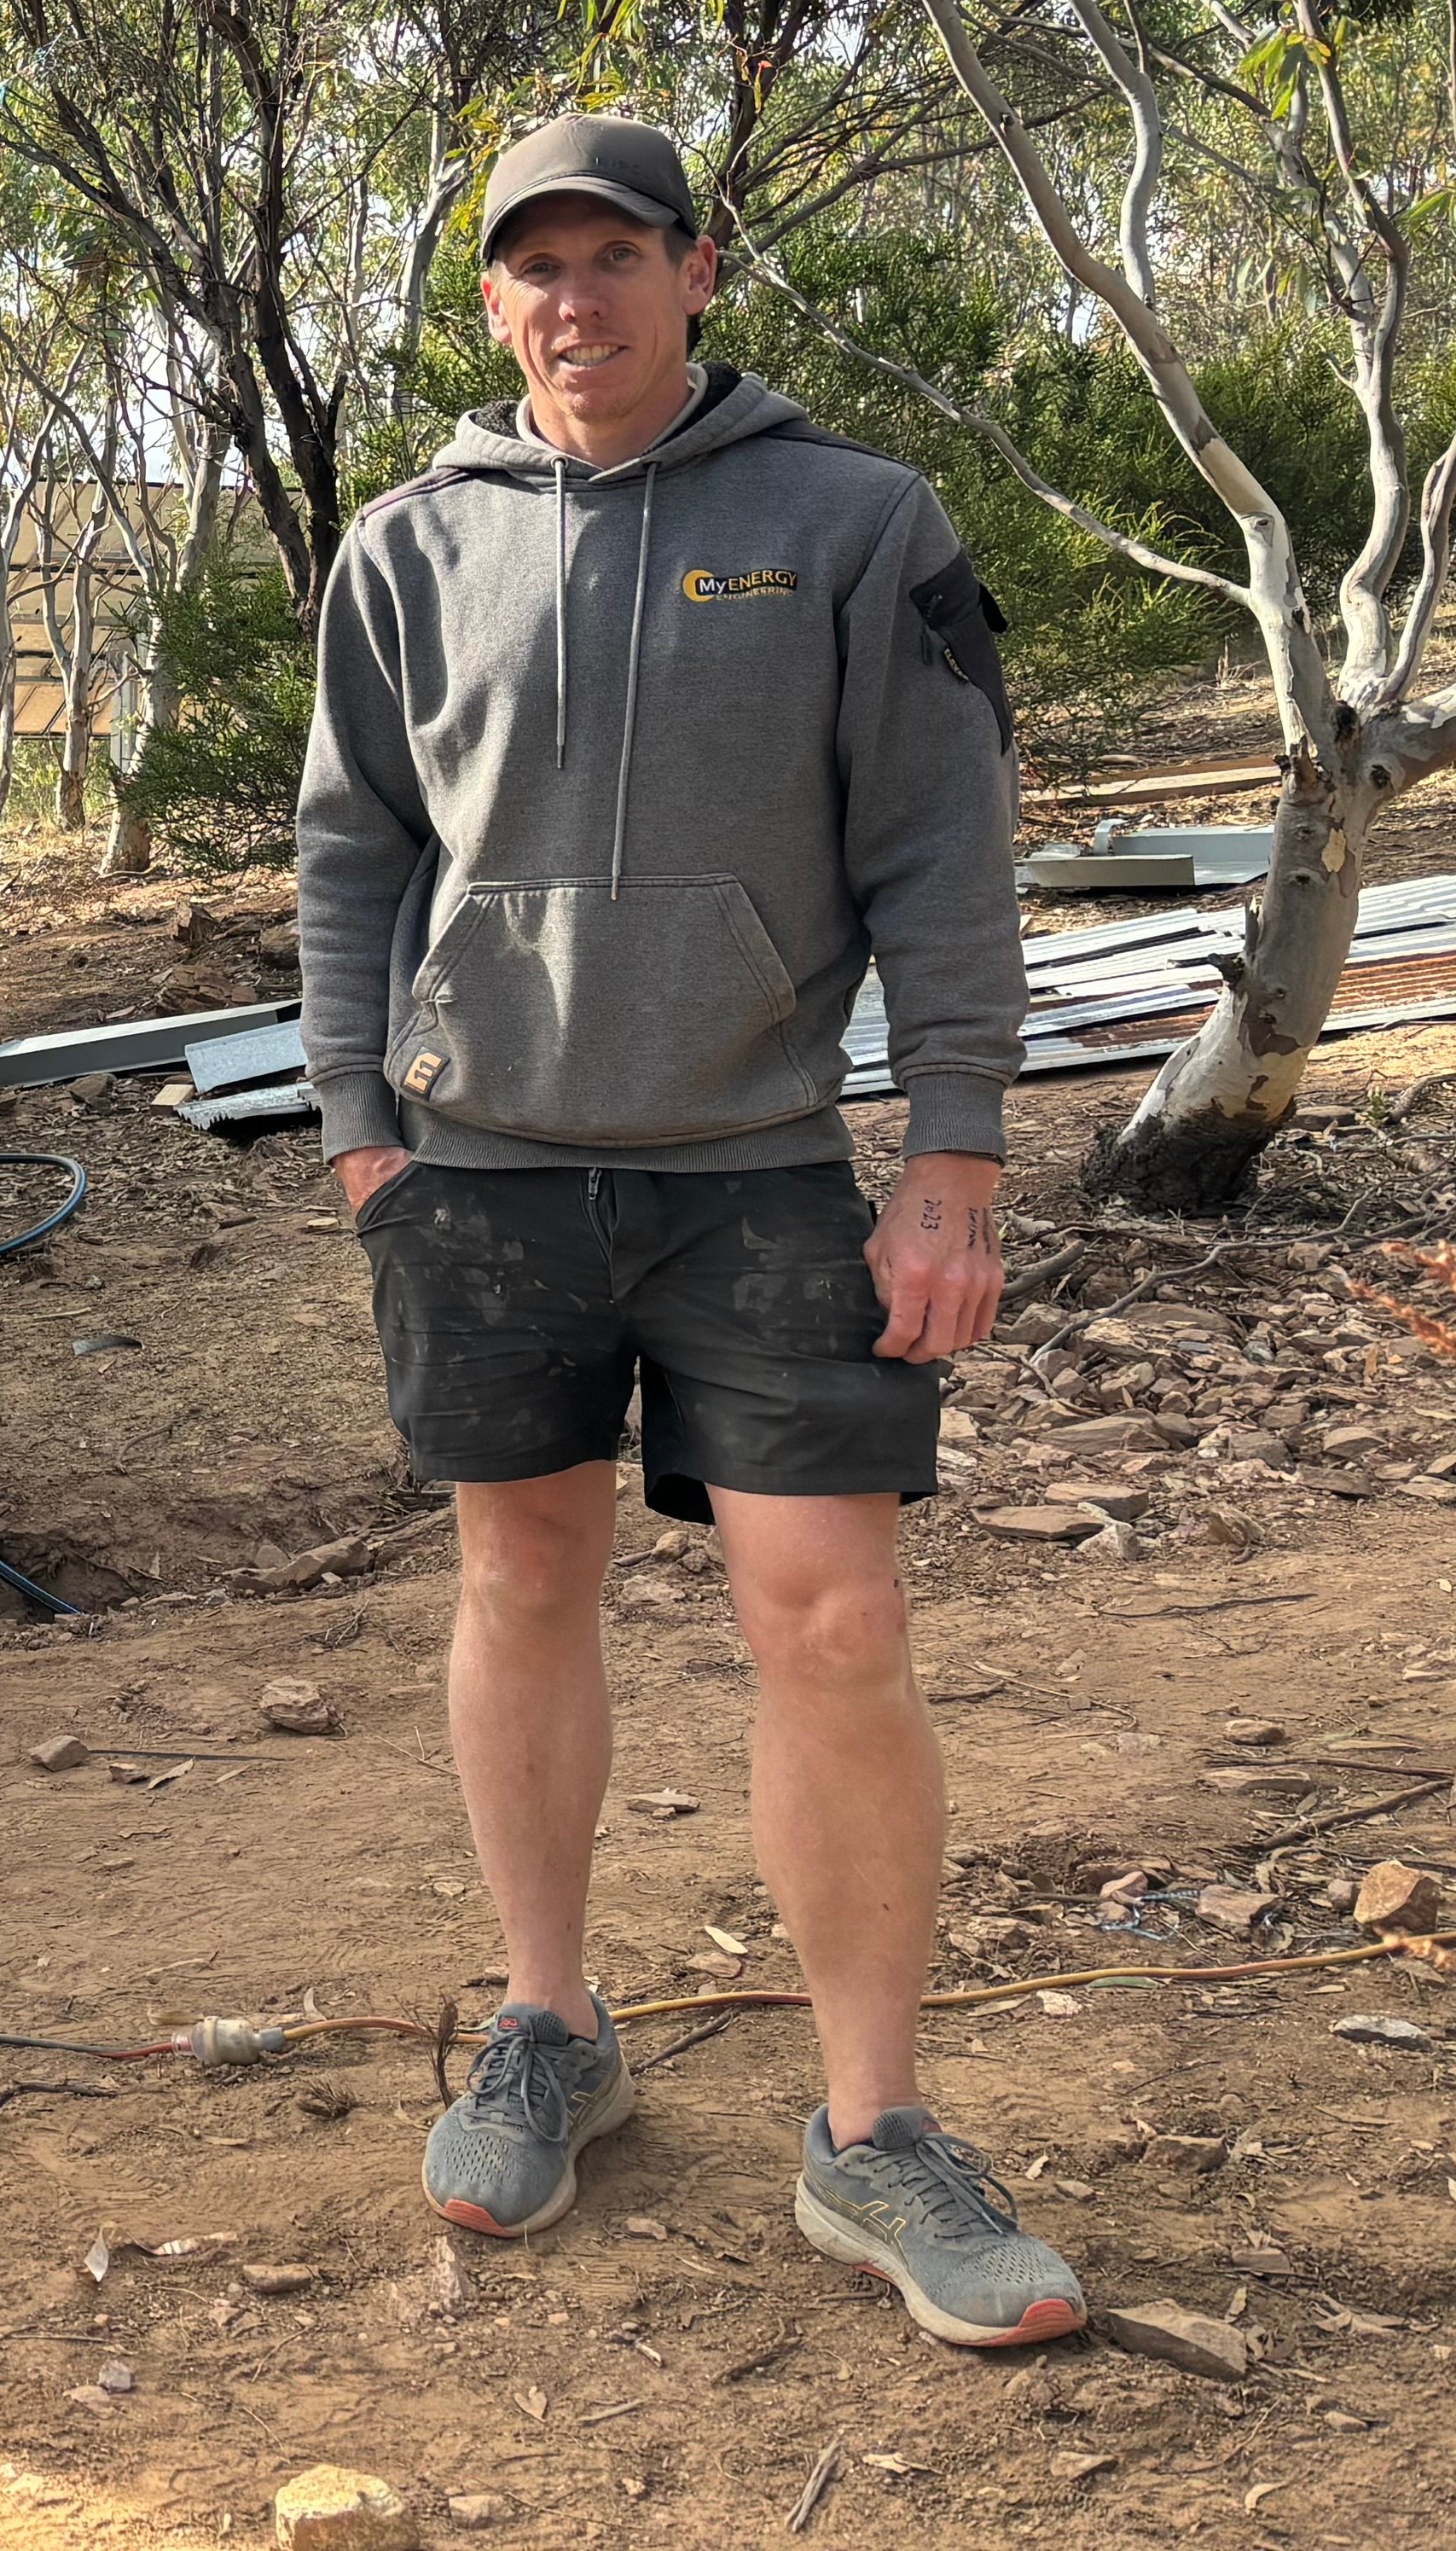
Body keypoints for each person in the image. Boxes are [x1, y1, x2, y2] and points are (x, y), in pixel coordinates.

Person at [295, 113, 1083, 2350]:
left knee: (831, 1619)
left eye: (614, 251)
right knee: (520, 1569)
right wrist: (366, 1126)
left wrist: (955, 1145)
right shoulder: (411, 547)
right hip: (483, 1169)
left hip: (755, 1163)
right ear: (491, 305)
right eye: (532, 264)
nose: (577, 295)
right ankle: (549, 2025)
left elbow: (944, 841)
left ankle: (874, 2130)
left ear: (695, 268)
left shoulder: (853, 524)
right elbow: (355, 853)